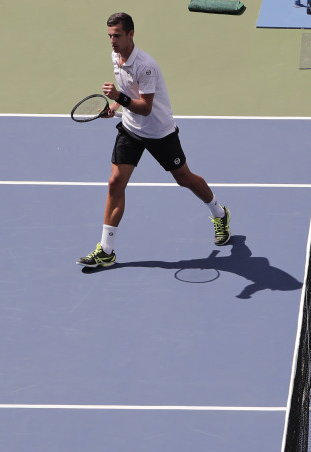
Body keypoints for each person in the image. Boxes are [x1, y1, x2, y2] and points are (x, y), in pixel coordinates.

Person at [76, 12, 230, 268]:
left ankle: (219, 212)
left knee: (184, 178)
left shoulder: (146, 66)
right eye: (109, 36)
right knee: (115, 183)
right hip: (131, 130)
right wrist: (114, 106)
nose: (112, 41)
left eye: (117, 35)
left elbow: (145, 107)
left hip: (160, 132)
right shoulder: (116, 57)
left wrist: (120, 99)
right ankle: (106, 249)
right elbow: (127, 93)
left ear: (131, 34)